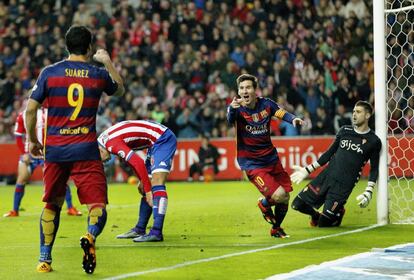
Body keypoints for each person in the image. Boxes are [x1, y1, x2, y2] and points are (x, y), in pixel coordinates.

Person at [26, 25, 124, 274]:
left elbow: (30, 109)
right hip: (86, 150)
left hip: (56, 150)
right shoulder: (97, 73)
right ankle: (90, 236)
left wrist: (33, 140)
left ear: (66, 45)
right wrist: (108, 61)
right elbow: (120, 89)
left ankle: (44, 259)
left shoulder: (49, 73)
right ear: (90, 47)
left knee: (52, 204)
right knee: (97, 204)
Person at [227, 74, 303, 238]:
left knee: (285, 196)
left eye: (248, 87)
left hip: (271, 159)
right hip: (253, 164)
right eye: (241, 88)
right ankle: (264, 204)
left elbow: (282, 113)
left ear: (255, 90)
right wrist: (231, 109)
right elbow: (229, 119)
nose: (244, 91)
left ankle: (276, 228)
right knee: (279, 195)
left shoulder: (266, 104)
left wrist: (294, 119)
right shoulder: (236, 109)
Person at [290, 101, 381, 227]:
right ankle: (316, 216)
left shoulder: (373, 141)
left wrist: (369, 191)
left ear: (367, 115)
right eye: (354, 111)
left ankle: (337, 213)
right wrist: (308, 170)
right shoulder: (345, 131)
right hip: (326, 177)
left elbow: (374, 168)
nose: (354, 114)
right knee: (296, 205)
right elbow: (328, 154)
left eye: (358, 112)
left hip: (343, 186)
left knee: (324, 224)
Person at [97, 120, 177, 242]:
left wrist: (149, 191)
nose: (103, 162)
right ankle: (140, 229)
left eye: (99, 160)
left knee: (157, 182)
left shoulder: (111, 144)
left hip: (163, 138)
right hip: (153, 142)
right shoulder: (103, 140)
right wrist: (144, 184)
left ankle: (156, 232)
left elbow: (138, 162)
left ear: (99, 150)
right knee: (143, 187)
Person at [4, 109, 82, 217]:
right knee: (21, 180)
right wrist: (24, 153)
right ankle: (15, 210)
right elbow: (18, 136)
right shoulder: (23, 115)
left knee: (59, 179)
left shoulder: (50, 112)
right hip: (29, 154)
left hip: (47, 154)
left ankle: (70, 207)